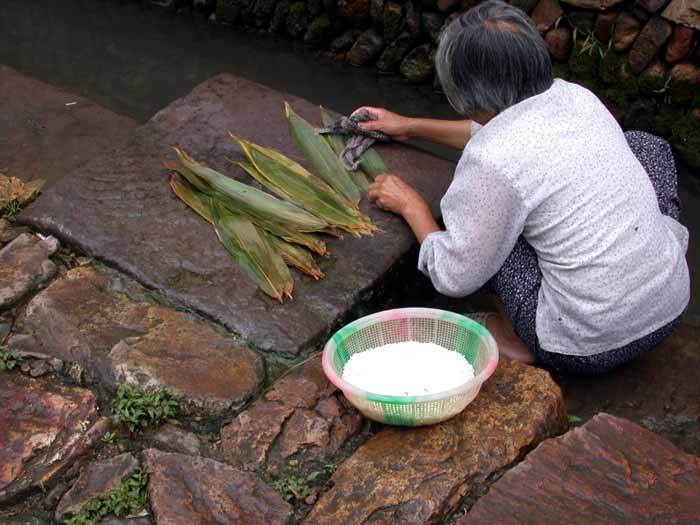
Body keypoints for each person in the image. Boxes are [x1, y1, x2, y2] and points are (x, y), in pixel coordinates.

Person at [359, 0, 690, 375]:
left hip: (586, 345)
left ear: (465, 89)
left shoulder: (492, 160)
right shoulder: (576, 97)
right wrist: (408, 126)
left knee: (496, 231)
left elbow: (455, 275)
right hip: (671, 303)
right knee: (646, 146)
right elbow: (503, 132)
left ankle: (518, 336)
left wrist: (411, 205)